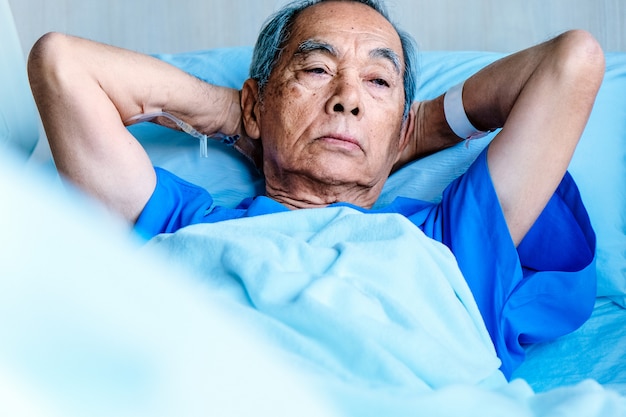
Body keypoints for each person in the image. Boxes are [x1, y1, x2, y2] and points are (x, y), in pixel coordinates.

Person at [27, 0, 604, 379]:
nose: (348, 97)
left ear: (401, 125)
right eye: (316, 70)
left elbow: (573, 61)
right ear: (258, 101)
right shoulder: (183, 221)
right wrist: (233, 113)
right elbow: (61, 65)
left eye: (379, 81)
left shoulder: (453, 241)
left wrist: (423, 126)